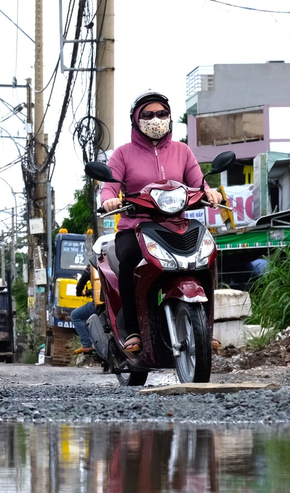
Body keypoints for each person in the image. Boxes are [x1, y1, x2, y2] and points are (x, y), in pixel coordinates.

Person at [100, 90, 223, 353]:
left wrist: (210, 192)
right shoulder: (123, 154)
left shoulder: (182, 151)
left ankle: (206, 328)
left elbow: (198, 182)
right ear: (136, 120)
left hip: (177, 225)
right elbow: (109, 186)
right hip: (135, 227)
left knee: (207, 258)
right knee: (130, 260)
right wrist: (109, 199)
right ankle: (132, 329)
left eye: (162, 114)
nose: (156, 119)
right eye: (148, 115)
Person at [71, 261, 97, 356]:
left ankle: (87, 344)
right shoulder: (116, 261)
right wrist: (89, 292)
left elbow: (80, 285)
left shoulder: (93, 265)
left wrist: (81, 292)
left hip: (100, 305)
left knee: (75, 315)